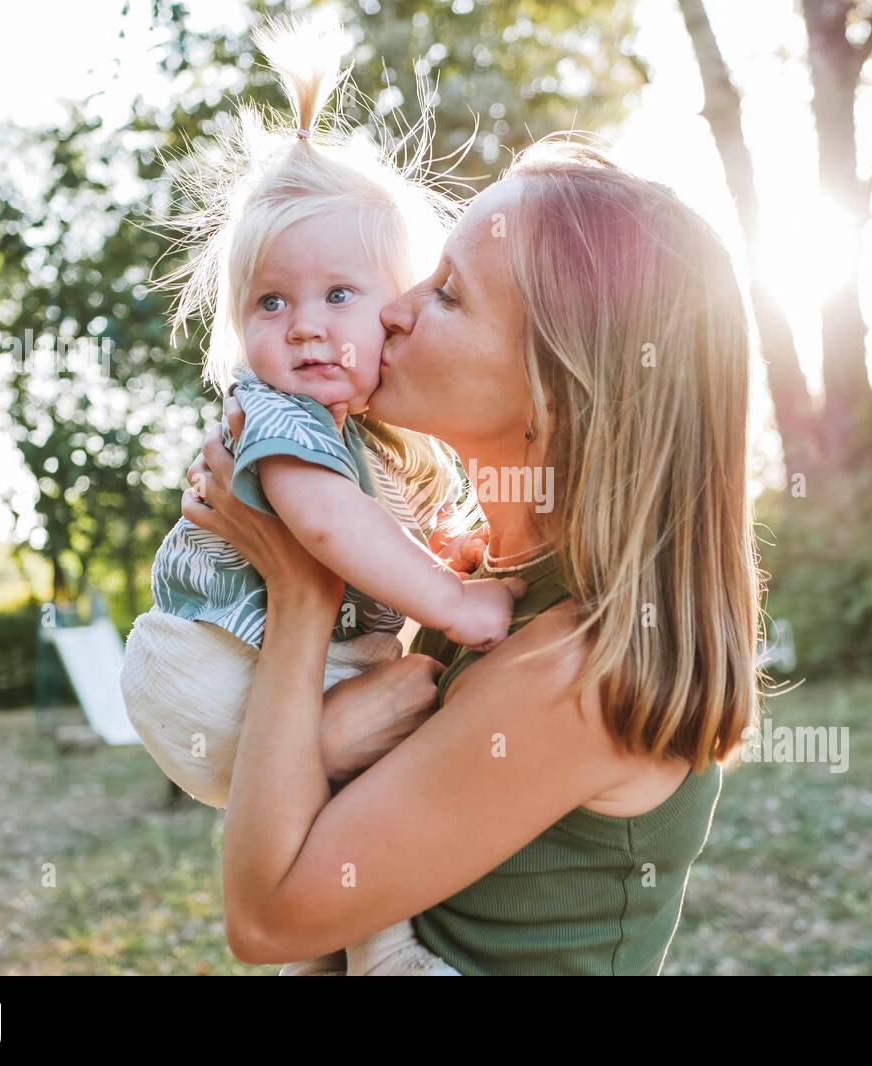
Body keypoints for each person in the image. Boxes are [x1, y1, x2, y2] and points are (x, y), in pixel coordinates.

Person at [184, 130, 764, 975]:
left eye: (448, 295)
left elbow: (269, 919)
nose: (392, 309)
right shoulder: (477, 577)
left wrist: (301, 592)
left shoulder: (572, 668)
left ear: (556, 390)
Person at [120, 14, 514, 977]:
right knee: (387, 776)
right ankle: (392, 955)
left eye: (339, 296)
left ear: (397, 307)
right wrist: (457, 602)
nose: (303, 328)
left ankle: (325, 958)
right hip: (214, 674)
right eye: (270, 303)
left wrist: (450, 551)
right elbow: (332, 530)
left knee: (359, 780)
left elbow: (392, 525)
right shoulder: (278, 418)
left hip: (266, 685)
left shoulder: (372, 436)